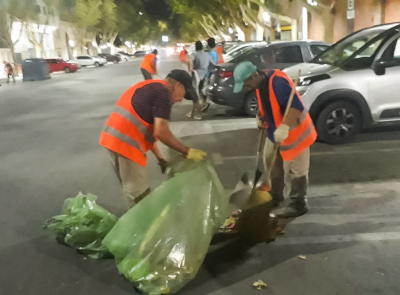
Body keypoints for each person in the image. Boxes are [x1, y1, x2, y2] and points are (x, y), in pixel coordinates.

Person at [100, 69, 207, 208]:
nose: (181, 99)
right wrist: (187, 151)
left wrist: (160, 158)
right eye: (183, 94)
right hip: (126, 146)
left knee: (132, 190)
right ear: (177, 86)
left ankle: (138, 224)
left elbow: (149, 133)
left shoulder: (152, 86)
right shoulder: (163, 92)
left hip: (113, 140)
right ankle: (141, 228)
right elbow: (161, 131)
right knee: (139, 196)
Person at [233, 62, 317, 218]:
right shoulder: (260, 83)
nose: (246, 88)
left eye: (246, 84)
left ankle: (299, 203)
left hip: (295, 133)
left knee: (297, 170)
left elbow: (296, 107)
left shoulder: (278, 82)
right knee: (270, 161)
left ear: (253, 76)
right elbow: (268, 103)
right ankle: (275, 196)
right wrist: (261, 116)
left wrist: (284, 127)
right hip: (274, 131)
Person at [187, 41, 215, 120]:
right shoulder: (207, 54)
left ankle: (197, 114)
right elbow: (213, 63)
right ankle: (196, 110)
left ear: (196, 47)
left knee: (196, 95)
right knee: (200, 93)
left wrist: (190, 68)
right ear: (202, 47)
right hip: (203, 76)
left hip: (196, 76)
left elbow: (189, 60)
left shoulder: (194, 54)